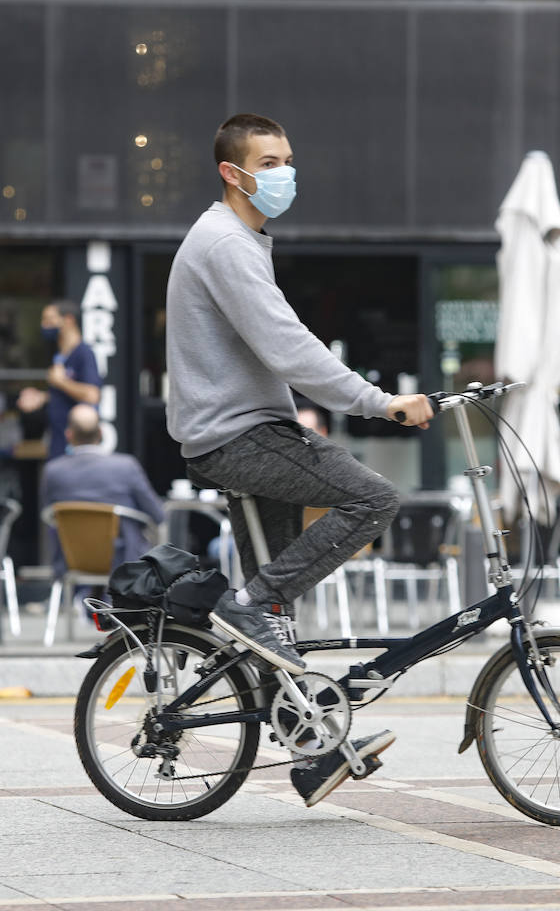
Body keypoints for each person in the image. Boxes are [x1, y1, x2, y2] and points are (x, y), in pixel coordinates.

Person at [165, 113, 433, 806]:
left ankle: (314, 749)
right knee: (373, 498)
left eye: (288, 159)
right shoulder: (225, 243)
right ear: (233, 172)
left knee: (272, 626)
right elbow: (288, 347)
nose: (286, 172)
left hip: (245, 430)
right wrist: (382, 402)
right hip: (240, 436)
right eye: (271, 161)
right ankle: (248, 603)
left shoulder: (245, 239)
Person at [42, 404, 165, 579]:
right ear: (101, 433)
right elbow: (158, 515)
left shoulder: (53, 471)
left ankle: (83, 599)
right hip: (124, 558)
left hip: (72, 560)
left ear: (69, 435)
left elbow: (48, 516)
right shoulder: (126, 466)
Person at [17, 300, 102, 460]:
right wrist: (41, 397)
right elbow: (65, 395)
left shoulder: (84, 353)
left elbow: (92, 395)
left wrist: (61, 382)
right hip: (57, 442)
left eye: (49, 320)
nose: (44, 325)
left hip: (75, 449)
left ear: (68, 320)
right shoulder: (60, 356)